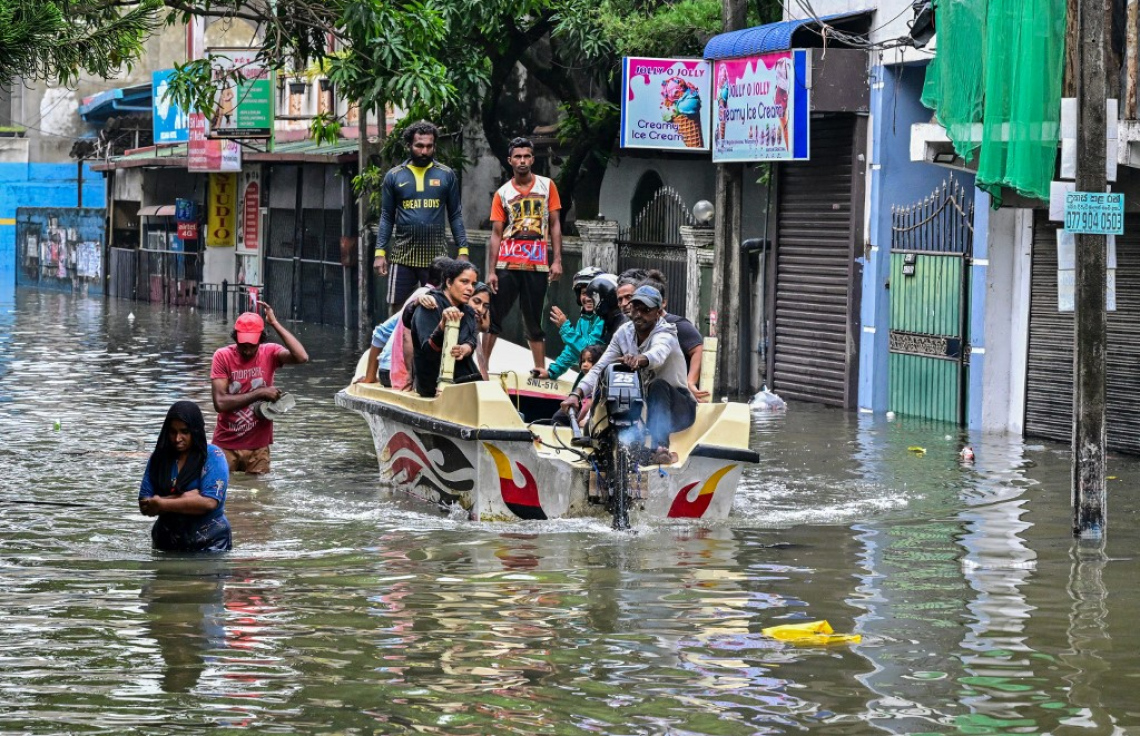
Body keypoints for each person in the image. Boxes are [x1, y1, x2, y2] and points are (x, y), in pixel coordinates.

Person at [560, 285, 696, 465]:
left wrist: (640, 359)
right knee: (610, 378)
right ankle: (598, 440)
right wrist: (576, 394)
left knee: (658, 385)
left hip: (677, 409)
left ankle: (661, 448)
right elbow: (600, 367)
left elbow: (658, 354)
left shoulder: (666, 332)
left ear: (658, 312)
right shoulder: (623, 333)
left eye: (646, 310)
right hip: (643, 408)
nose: (639, 314)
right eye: (635, 308)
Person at [373, 120, 470, 317]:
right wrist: (379, 252)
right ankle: (396, 347)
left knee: (441, 307)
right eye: (419, 146)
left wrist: (463, 250)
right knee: (396, 311)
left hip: (437, 257)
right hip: (402, 256)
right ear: (409, 146)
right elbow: (386, 216)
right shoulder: (394, 176)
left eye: (429, 146)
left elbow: (455, 215)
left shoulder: (446, 175)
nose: (424, 151)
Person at [483, 137, 563, 372]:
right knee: (495, 316)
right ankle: (483, 367)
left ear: (532, 159)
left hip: (537, 263)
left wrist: (557, 260)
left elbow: (556, 224)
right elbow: (496, 234)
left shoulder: (547, 186)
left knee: (534, 318)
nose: (522, 161)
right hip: (507, 262)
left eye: (526, 156)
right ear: (510, 161)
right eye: (517, 156)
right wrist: (491, 271)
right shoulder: (502, 193)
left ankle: (539, 369)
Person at [210, 305, 309, 474]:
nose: (247, 350)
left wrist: (275, 323)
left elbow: (302, 357)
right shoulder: (223, 356)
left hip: (258, 448)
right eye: (243, 345)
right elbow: (220, 403)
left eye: (252, 345)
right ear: (236, 339)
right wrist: (260, 392)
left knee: (259, 496)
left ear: (261, 340)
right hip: (226, 445)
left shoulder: (270, 352)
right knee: (224, 494)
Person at [138, 401, 232, 553]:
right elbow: (145, 504)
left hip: (211, 542)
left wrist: (162, 503)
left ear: (195, 431)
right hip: (166, 541)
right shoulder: (159, 459)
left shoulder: (213, 456)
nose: (177, 438)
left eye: (184, 432)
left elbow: (209, 502)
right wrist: (187, 497)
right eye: (172, 432)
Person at [410, 259, 482, 397]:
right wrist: (442, 326)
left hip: (464, 379)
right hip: (434, 385)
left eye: (473, 284)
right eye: (464, 282)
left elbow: (472, 340)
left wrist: (464, 349)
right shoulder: (430, 305)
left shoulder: (468, 311)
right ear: (449, 282)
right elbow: (428, 352)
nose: (470, 289)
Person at [639, 269, 709, 402]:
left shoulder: (677, 325)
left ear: (663, 303)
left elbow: (698, 348)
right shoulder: (637, 327)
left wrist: (690, 381)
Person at [534, 266, 605, 380]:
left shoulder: (604, 319)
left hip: (603, 377)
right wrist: (551, 372)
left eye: (592, 293)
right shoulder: (584, 319)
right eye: (584, 293)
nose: (587, 298)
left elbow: (590, 352)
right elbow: (571, 351)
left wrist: (565, 328)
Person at [584, 273, 628, 346]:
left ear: (606, 297)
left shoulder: (622, 323)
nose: (594, 303)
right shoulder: (610, 320)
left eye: (596, 298)